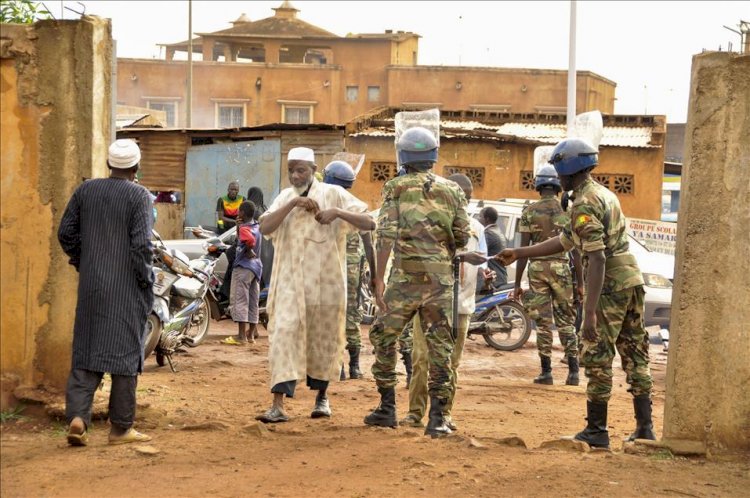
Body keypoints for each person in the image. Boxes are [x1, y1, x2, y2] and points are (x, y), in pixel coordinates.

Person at [496, 138, 655, 449]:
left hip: (609, 282)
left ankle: (597, 431)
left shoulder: (583, 203)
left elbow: (596, 257)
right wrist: (519, 251)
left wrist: (591, 312)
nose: (558, 177)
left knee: (596, 353)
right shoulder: (602, 194)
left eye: (559, 170)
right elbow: (565, 241)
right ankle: (645, 428)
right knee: (635, 352)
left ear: (568, 169)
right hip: (630, 278)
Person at [365, 126, 471, 438]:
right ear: (432, 156)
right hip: (440, 283)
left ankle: (387, 408)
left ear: (404, 156)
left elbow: (384, 235)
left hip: (404, 280)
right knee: (440, 348)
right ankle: (438, 418)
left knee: (383, 337)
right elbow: (463, 236)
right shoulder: (453, 190)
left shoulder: (394, 187)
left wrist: (377, 279)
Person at [256, 147, 374, 423]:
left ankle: (322, 399)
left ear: (313, 170)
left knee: (323, 340)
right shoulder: (285, 197)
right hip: (288, 285)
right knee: (283, 335)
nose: (296, 176)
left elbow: (369, 222)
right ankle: (278, 405)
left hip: (325, 285)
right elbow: (264, 227)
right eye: (291, 171)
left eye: (301, 171)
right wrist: (292, 205)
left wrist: (337, 214)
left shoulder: (334, 194)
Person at [57, 139, 154, 447]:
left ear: (110, 165)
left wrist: (82, 260)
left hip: (92, 288)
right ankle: (121, 429)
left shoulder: (86, 191)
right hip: (126, 289)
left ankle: (78, 418)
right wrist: (146, 279)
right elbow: (141, 245)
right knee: (125, 356)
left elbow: (66, 233)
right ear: (136, 167)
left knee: (87, 353)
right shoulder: (139, 196)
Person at [399, 173, 491, 431]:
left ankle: (443, 414)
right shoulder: (428, 225)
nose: (464, 201)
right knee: (421, 360)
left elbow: (482, 258)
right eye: (460, 196)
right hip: (428, 303)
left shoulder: (477, 228)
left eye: (467, 197)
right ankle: (415, 413)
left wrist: (482, 267)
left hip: (461, 305)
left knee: (451, 362)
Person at [515, 165, 582, 386]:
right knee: (566, 321)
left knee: (543, 323)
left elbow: (523, 252)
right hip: (562, 268)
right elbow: (576, 251)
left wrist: (517, 283)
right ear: (556, 185)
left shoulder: (529, 212)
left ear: (538, 186)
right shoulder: (568, 213)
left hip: (536, 269)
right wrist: (580, 283)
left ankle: (546, 372)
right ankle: (573, 373)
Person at [320, 160, 376, 380]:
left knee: (331, 317)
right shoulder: (355, 208)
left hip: (329, 267)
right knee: (352, 316)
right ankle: (354, 367)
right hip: (353, 270)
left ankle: (339, 368)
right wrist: (374, 275)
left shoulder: (323, 207)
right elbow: (369, 245)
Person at [222, 201, 263, 346]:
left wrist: (248, 249)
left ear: (243, 213)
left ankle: (241, 336)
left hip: (244, 267)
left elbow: (248, 239)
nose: (237, 213)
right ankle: (250, 335)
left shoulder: (245, 228)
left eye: (239, 211)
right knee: (253, 301)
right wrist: (238, 227)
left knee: (240, 300)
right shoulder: (256, 225)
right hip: (256, 268)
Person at [247, 186, 274, 289]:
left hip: (258, 242)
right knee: (267, 264)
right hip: (268, 242)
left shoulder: (251, 210)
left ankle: (259, 287)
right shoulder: (265, 207)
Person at [478, 206, 508, 290]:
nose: (478, 219)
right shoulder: (496, 231)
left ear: (486, 219)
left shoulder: (488, 234)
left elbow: (477, 253)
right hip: (499, 277)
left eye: (480, 216)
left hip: (493, 280)